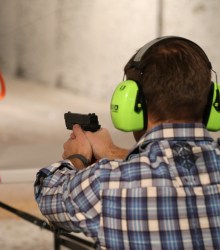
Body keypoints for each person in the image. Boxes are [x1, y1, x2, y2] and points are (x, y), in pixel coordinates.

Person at [34, 36, 220, 249]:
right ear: (213, 102)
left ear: (131, 103)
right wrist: (113, 151)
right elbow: (179, 162)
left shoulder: (105, 184)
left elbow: (47, 195)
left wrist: (78, 159)